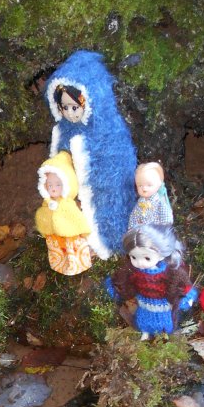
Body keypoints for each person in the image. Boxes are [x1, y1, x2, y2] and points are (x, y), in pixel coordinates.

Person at [43, 50, 138, 260]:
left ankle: (106, 243)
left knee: (108, 216)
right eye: (64, 107)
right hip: (73, 193)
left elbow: (119, 165)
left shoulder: (110, 131)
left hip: (104, 193)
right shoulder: (63, 130)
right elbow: (58, 159)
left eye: (75, 107)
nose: (70, 113)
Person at [107, 224, 196, 337]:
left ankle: (164, 336)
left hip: (163, 306)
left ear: (161, 255)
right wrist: (114, 287)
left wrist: (187, 298)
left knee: (165, 325)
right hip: (144, 305)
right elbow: (122, 280)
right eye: (133, 257)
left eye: (147, 258)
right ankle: (145, 334)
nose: (139, 263)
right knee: (143, 322)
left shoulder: (171, 273)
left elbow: (184, 286)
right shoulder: (133, 271)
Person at [34, 152, 93, 275]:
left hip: (70, 236)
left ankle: (78, 267)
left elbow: (77, 218)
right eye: (50, 185)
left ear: (67, 184)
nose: (53, 188)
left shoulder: (68, 204)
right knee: (58, 254)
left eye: (58, 184)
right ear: (44, 185)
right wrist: (45, 230)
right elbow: (42, 217)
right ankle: (60, 268)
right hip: (55, 239)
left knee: (73, 254)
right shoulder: (47, 204)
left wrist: (84, 231)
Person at [128, 162, 174, 229]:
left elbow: (167, 220)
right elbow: (133, 217)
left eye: (149, 185)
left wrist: (162, 232)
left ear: (159, 184)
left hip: (156, 234)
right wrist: (131, 228)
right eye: (140, 185)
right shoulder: (140, 203)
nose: (144, 188)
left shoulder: (160, 203)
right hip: (142, 234)